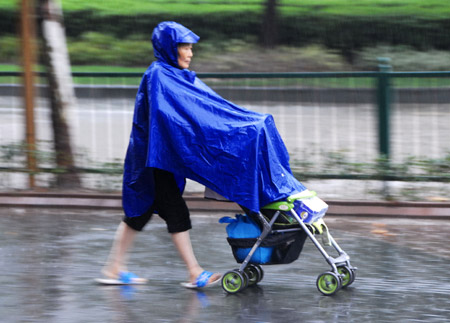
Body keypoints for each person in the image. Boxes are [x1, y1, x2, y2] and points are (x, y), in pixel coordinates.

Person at [97, 21, 221, 288]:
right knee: (176, 213)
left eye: (191, 47)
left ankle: (114, 268)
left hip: (158, 157)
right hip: (155, 159)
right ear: (168, 48)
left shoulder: (169, 74)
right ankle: (193, 271)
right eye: (183, 47)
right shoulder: (160, 75)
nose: (189, 53)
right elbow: (168, 117)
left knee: (138, 216)